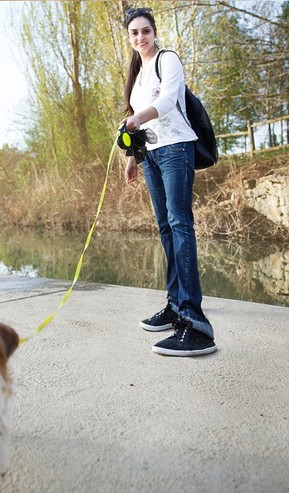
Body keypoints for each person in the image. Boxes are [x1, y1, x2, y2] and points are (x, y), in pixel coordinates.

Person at [121, 7, 216, 356]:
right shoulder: (137, 71)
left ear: (154, 32)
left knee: (179, 224)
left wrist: (137, 120)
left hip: (176, 148)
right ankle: (175, 305)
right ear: (129, 37)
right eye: (134, 33)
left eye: (145, 31)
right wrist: (131, 157)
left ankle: (196, 325)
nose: (141, 37)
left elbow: (168, 101)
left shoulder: (167, 59)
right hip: (150, 155)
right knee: (164, 226)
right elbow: (134, 118)